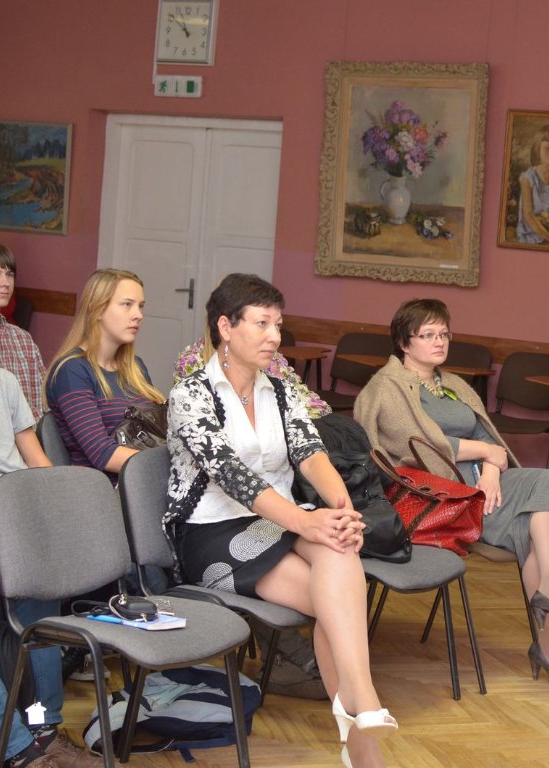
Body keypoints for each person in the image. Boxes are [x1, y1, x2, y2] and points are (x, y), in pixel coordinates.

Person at [165, 274, 394, 768]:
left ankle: (360, 713)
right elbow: (233, 477)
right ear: (226, 327)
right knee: (338, 601)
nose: (274, 336)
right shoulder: (191, 394)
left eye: (278, 325)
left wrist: (340, 510)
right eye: (262, 323)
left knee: (338, 552)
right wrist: (306, 524)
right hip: (213, 534)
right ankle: (363, 722)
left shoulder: (282, 390)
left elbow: (311, 453)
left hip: (280, 523)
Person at [355, 298, 549, 690]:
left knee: (546, 482)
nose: (439, 341)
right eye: (427, 335)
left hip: (483, 486)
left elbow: (491, 441)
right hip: (439, 495)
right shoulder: (385, 388)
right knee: (532, 529)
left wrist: (494, 470)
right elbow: (411, 445)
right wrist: (485, 453)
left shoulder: (452, 384)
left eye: (444, 334)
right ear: (404, 342)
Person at [0, 309, 98, 768]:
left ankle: (42, 726)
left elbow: (35, 456)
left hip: (16, 510)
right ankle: (15, 747)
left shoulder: (2, 382)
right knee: (31, 564)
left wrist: (55, 502)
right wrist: (17, 510)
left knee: (40, 579)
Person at [45, 269, 164, 476]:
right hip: (103, 488)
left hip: (144, 480)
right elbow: (102, 453)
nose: (138, 315)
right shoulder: (72, 371)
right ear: (96, 309)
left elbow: (154, 431)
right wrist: (170, 463)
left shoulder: (136, 367)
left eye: (140, 306)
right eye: (127, 304)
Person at [174, 335, 332, 421]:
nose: (275, 337)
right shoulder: (192, 362)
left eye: (277, 325)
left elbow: (301, 399)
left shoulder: (270, 358)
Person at [0, 223, 48, 421]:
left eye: (9, 274)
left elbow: (42, 402)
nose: (5, 283)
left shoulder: (22, 338)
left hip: (30, 434)